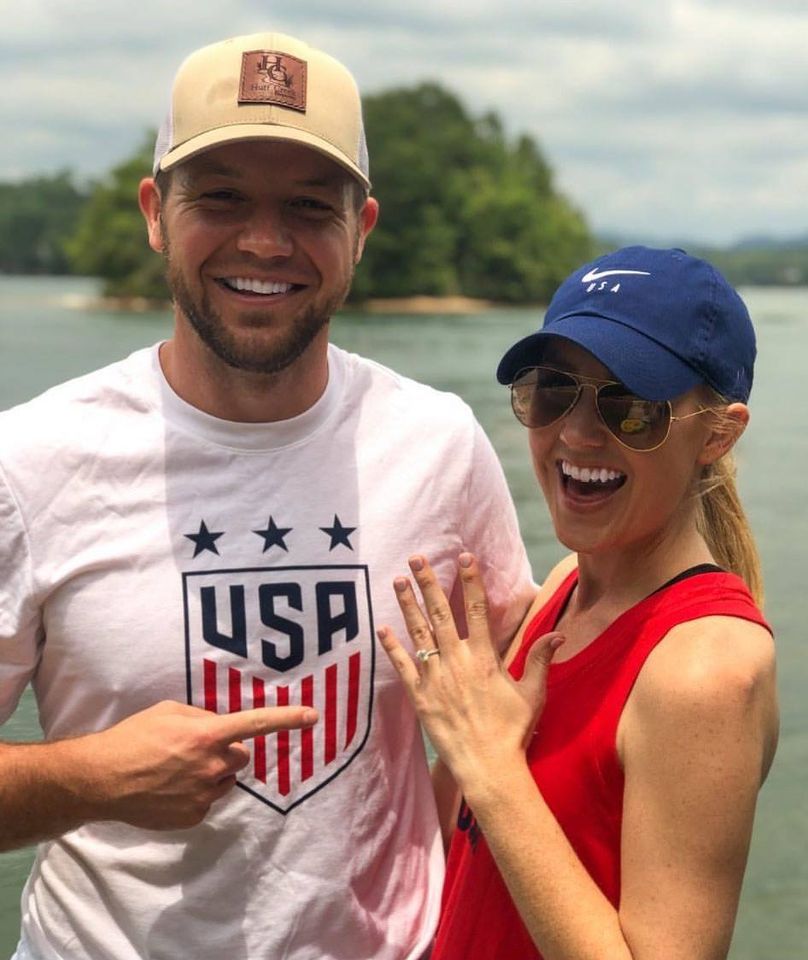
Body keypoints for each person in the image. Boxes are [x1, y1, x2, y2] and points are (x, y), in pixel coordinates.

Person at [0, 31, 534, 960]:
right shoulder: (31, 461)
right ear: (154, 212)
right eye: (221, 198)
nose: (263, 241)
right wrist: (89, 776)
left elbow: (515, 719)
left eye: (307, 207)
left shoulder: (439, 445)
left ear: (360, 231)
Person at [379, 246, 779, 960]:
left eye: (630, 408)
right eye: (554, 391)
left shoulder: (706, 669)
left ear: (718, 435)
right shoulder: (564, 585)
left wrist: (491, 768)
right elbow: (464, 853)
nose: (576, 434)